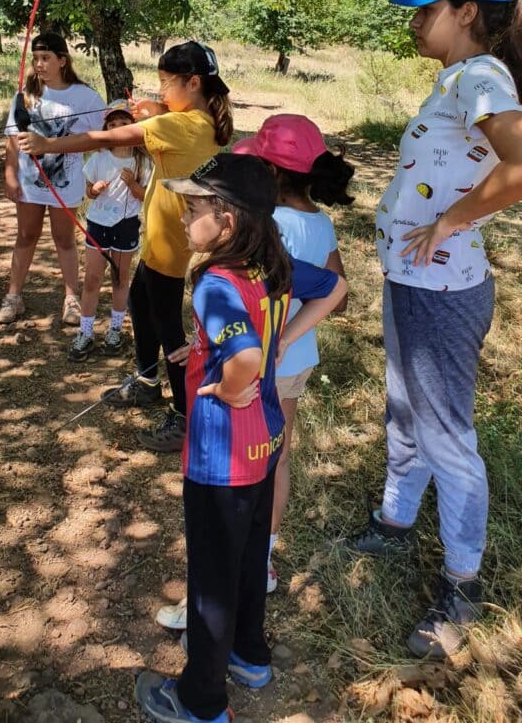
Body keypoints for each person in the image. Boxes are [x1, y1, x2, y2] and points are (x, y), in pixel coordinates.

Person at [339, 0, 522, 659]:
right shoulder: (458, 78)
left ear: (466, 11)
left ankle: (463, 585)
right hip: (415, 282)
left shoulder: (480, 76)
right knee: (406, 409)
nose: (415, 22)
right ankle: (395, 520)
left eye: (427, 9)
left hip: (442, 290)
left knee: (446, 434)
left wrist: (449, 222)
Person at [134, 154, 347, 723]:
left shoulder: (215, 281)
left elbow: (246, 355)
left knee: (211, 578)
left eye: (193, 208)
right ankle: (250, 656)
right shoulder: (270, 264)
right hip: (266, 443)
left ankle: (201, 702)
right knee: (251, 557)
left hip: (221, 456)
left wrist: (233, 385)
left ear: (226, 220)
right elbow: (335, 288)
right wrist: (276, 342)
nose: (184, 217)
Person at [19, 40, 233, 452]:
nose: (160, 91)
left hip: (169, 244)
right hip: (163, 239)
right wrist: (159, 106)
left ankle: (184, 416)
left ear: (192, 83)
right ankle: (148, 382)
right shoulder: (201, 119)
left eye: (166, 83)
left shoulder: (182, 126)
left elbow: (106, 137)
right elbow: (167, 113)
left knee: (169, 329)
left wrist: (48, 145)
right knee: (139, 302)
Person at [233, 114, 353, 594]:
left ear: (271, 173)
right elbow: (339, 297)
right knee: (277, 457)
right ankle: (261, 561)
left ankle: (236, 553)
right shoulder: (321, 223)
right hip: (297, 360)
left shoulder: (267, 224)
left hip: (255, 360)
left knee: (243, 458)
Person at [0, 31, 106, 327]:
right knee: (26, 235)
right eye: (35, 58)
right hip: (29, 182)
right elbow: (12, 138)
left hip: (65, 184)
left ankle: (71, 299)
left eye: (46, 58)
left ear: (63, 61)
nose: (39, 64)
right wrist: (10, 174)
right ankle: (13, 296)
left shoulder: (85, 97)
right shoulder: (27, 94)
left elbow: (101, 136)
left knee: (64, 239)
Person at [69, 101, 152, 361]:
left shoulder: (143, 161)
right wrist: (94, 190)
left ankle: (115, 330)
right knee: (92, 278)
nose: (118, 129)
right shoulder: (99, 158)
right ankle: (85, 332)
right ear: (105, 129)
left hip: (126, 225)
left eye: (124, 124)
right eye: (112, 124)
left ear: (134, 128)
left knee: (120, 277)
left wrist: (133, 185)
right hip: (98, 224)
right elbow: (88, 190)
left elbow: (146, 196)